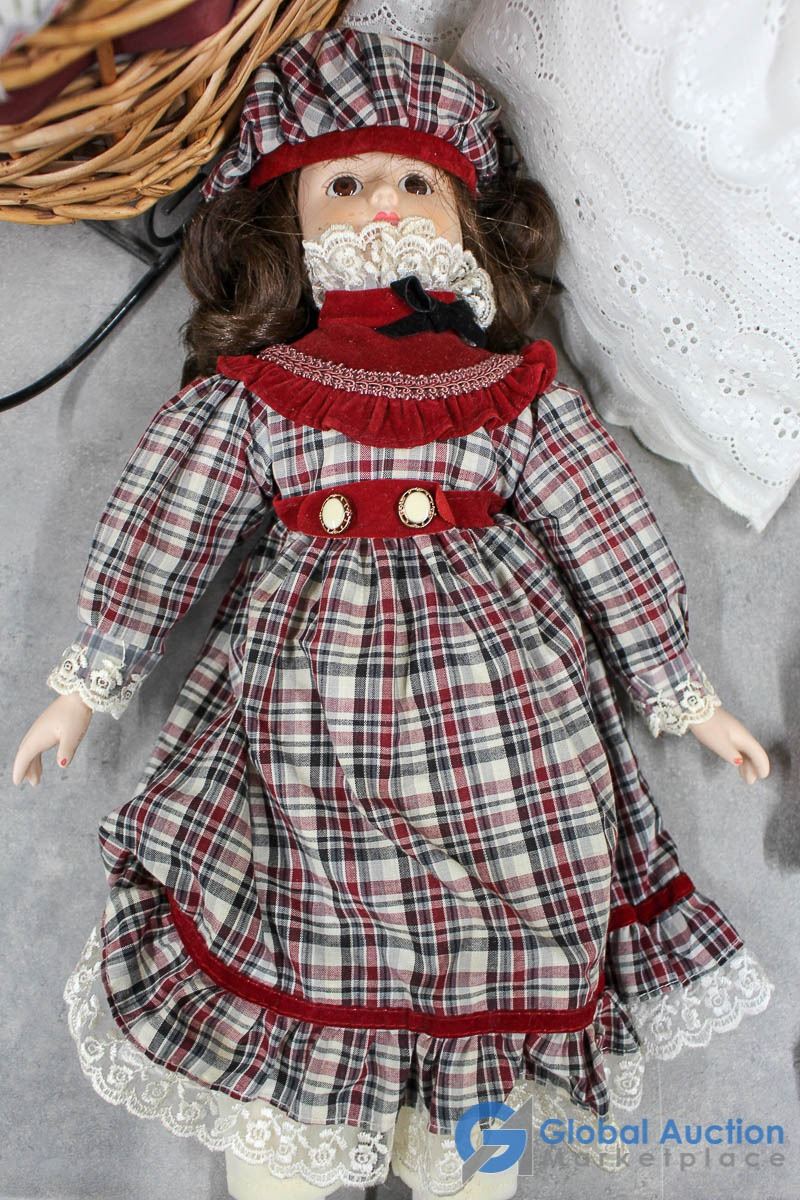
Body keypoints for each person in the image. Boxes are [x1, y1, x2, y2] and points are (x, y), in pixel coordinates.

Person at [11, 25, 774, 1200]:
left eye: (417, 184)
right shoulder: (259, 393)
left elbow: (605, 529)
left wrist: (677, 690)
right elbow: (170, 519)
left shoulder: (515, 389)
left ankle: (467, 1121)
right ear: (287, 222)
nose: (383, 204)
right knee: (295, 888)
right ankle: (295, 1128)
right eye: (345, 183)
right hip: (306, 703)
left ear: (465, 218)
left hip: (505, 705)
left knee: (514, 892)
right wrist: (88, 679)